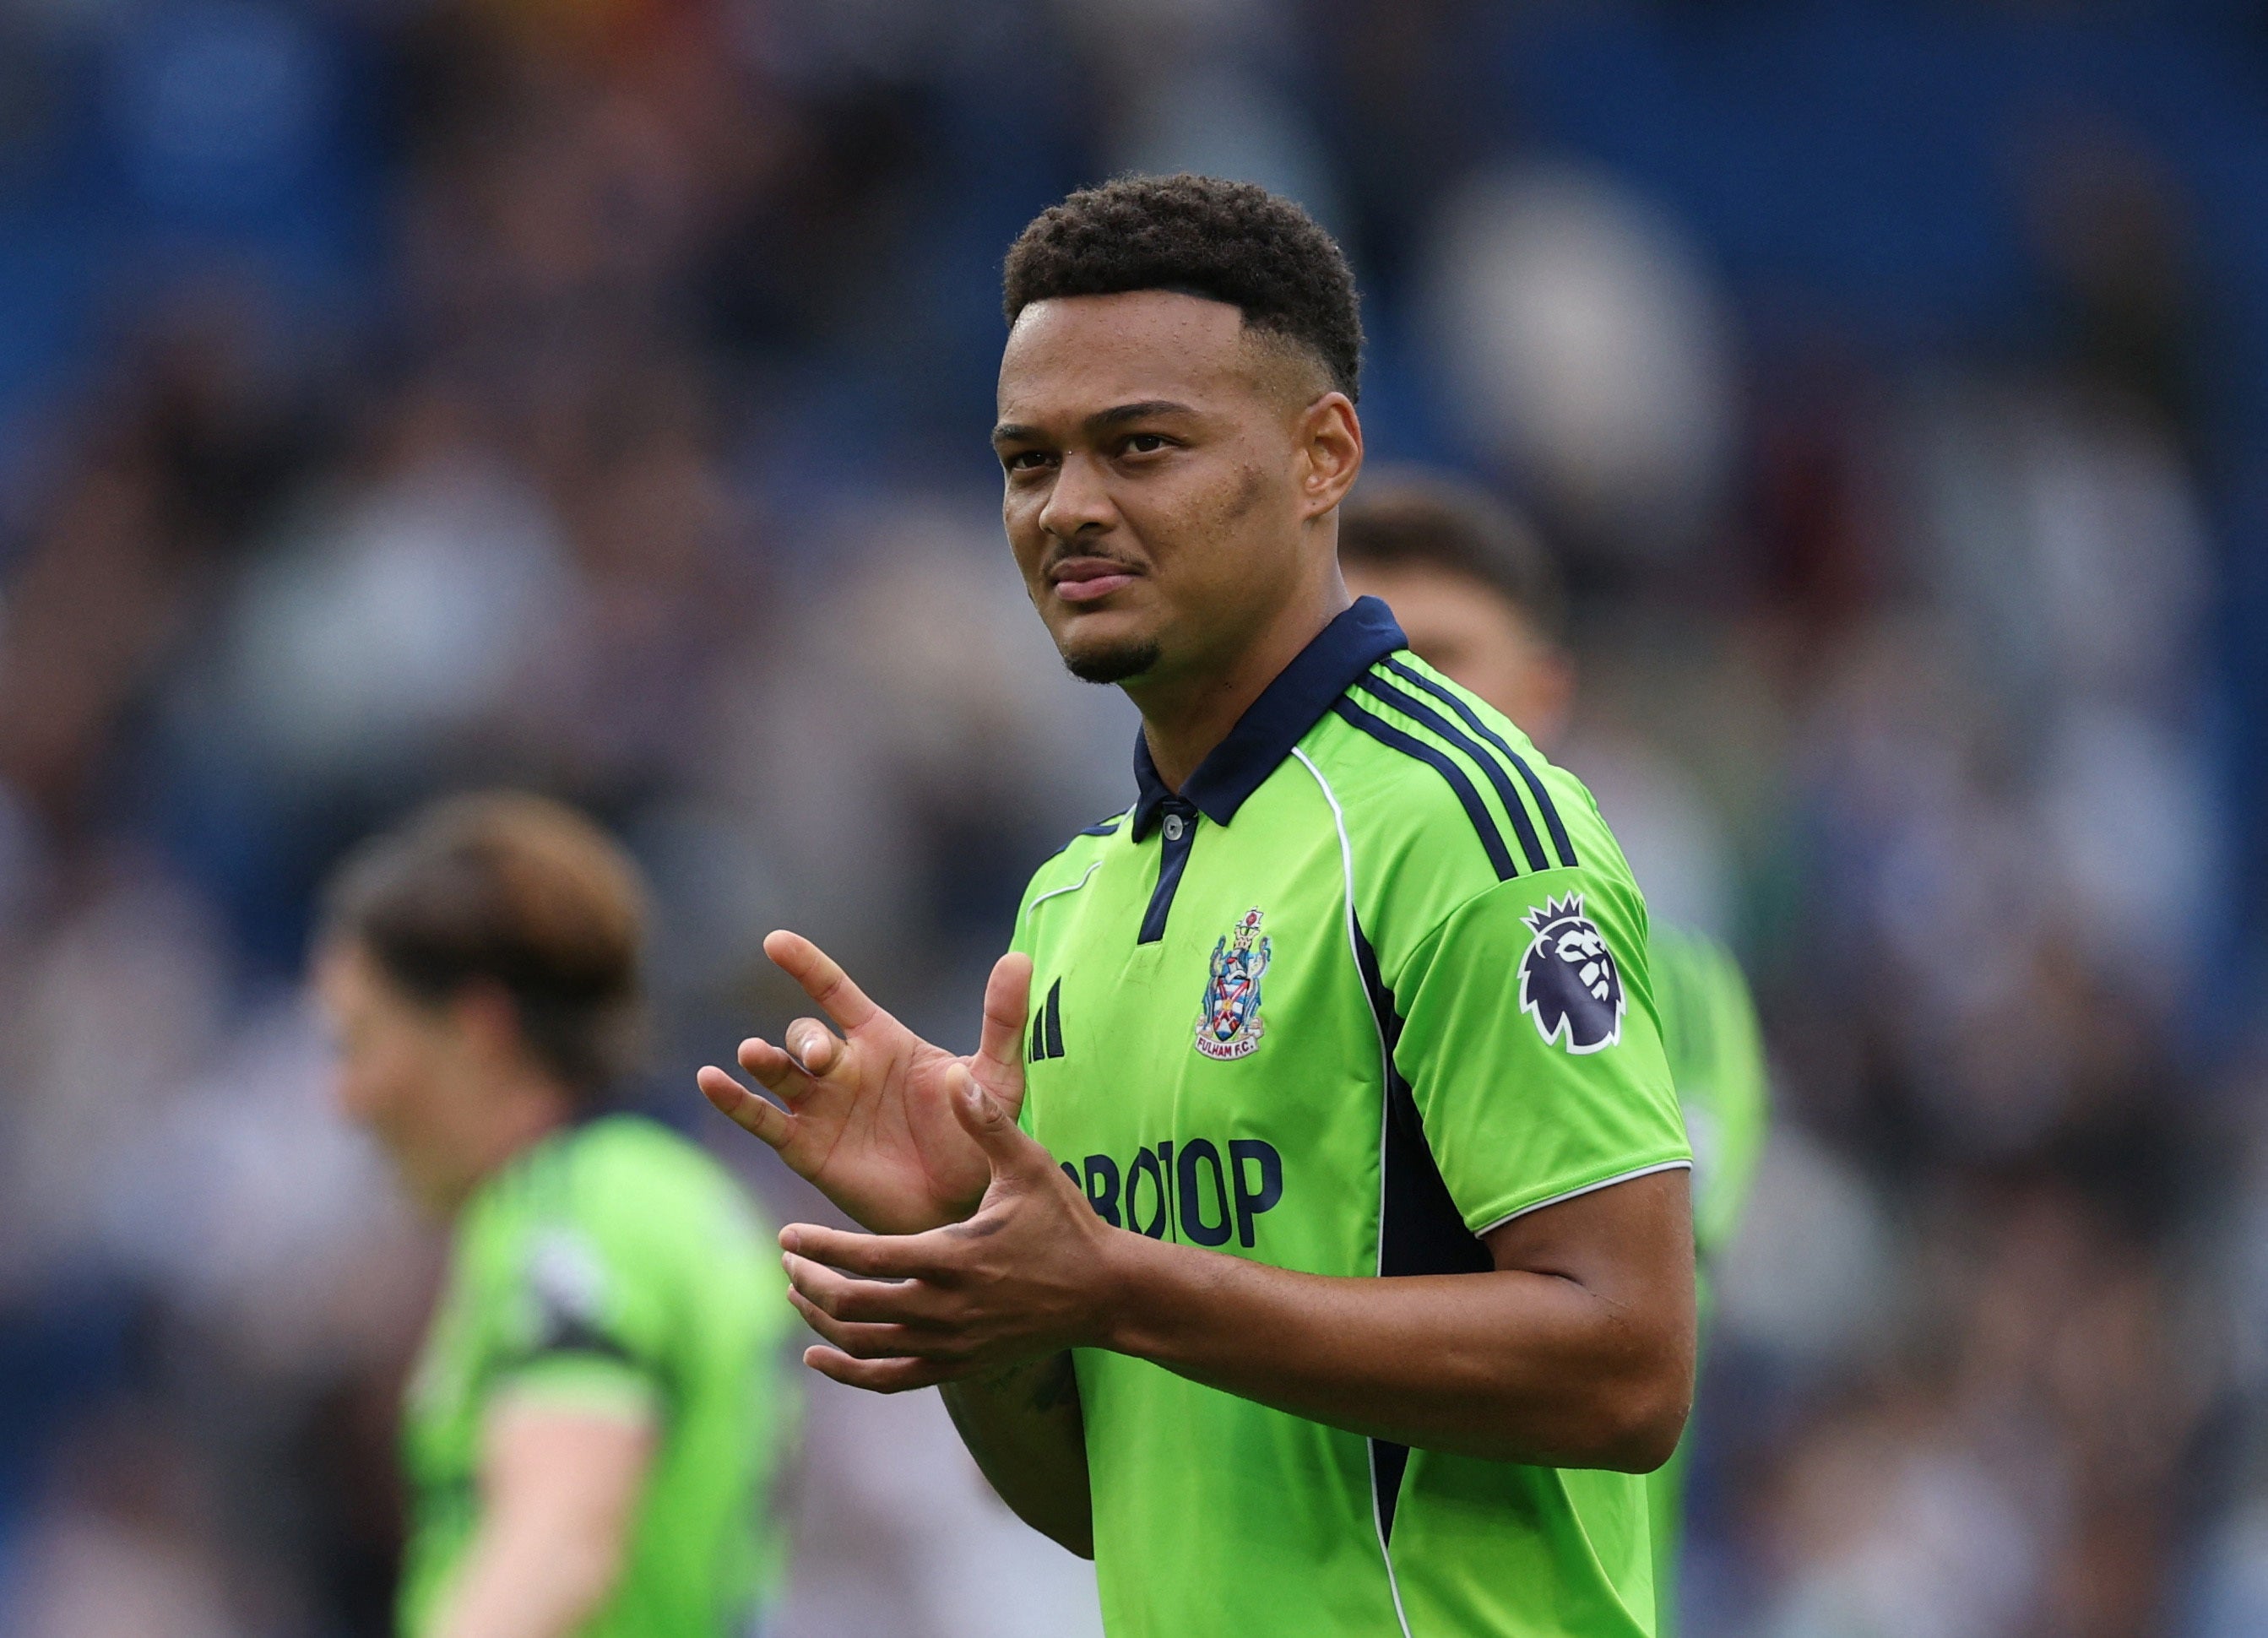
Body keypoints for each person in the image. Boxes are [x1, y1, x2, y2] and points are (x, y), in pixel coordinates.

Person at [698, 174, 1696, 1637]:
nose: (1070, 509)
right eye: (1026, 461)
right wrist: (978, 1261)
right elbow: (1108, 1501)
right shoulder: (1072, 902)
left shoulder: (1459, 824)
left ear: (1320, 456)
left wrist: (1114, 1287)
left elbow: (1628, 1368)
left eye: (1141, 447)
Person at [1337, 474, 1772, 1635]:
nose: (1398, 704)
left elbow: (1605, 1339)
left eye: (1440, 658)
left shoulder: (1675, 993)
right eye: (1357, 668)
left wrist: (1152, 1293)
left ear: (1543, 693)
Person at [315, 793, 794, 1638]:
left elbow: (559, 1541)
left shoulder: (571, 1217)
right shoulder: (679, 1193)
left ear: (477, 1029)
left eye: (361, 1038)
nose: (346, 1098)